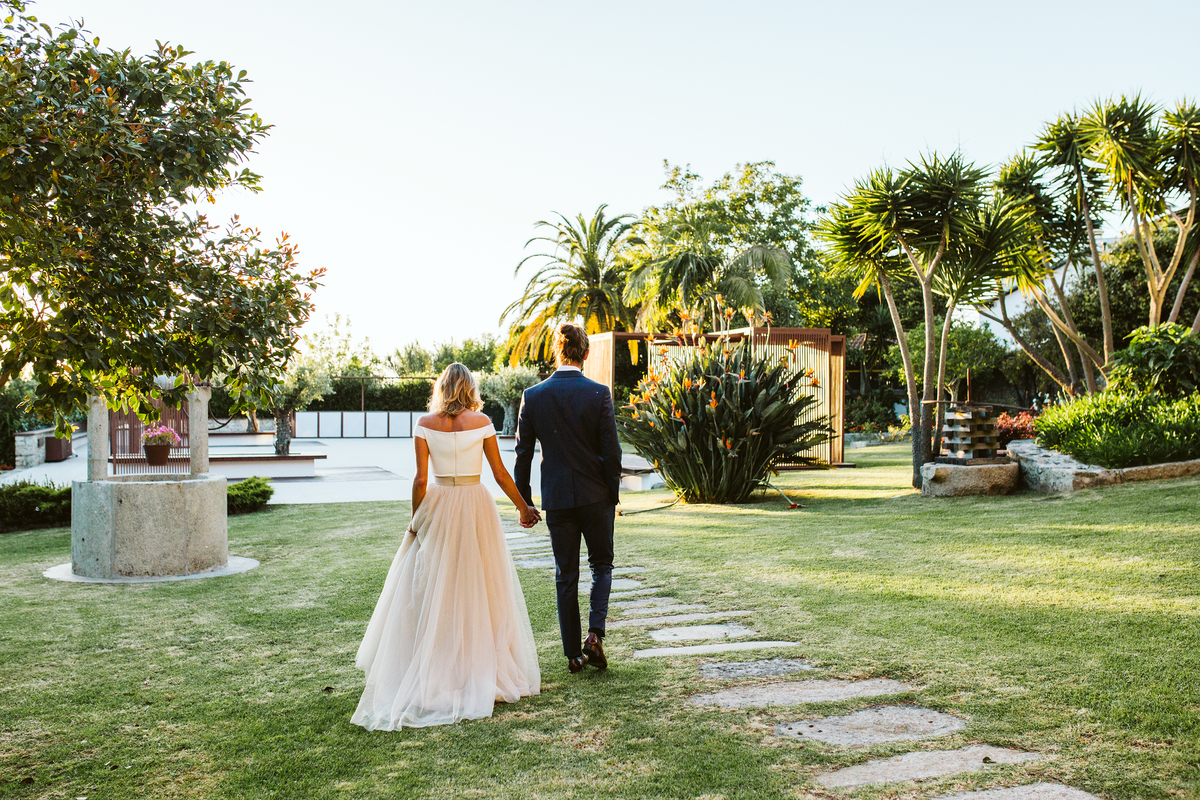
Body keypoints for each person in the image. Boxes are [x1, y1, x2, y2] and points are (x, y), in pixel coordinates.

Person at [351, 363, 542, 731]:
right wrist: (523, 507)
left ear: (441, 387)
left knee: (434, 588)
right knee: (478, 587)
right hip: (474, 505)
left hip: (439, 504)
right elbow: (500, 473)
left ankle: (436, 671)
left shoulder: (424, 424)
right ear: (469, 388)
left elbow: (421, 479)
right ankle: (476, 669)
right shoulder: (482, 422)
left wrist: (416, 519)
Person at [514, 323, 622, 674]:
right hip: (596, 497)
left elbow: (523, 454)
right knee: (602, 565)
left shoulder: (533, 396)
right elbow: (613, 452)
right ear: (586, 354)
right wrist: (612, 496)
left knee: (566, 575)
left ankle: (573, 655)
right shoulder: (599, 393)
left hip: (557, 499)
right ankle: (594, 635)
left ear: (556, 352)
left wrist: (525, 503)